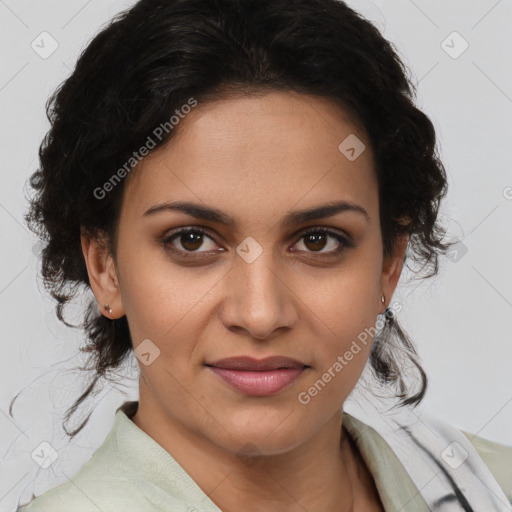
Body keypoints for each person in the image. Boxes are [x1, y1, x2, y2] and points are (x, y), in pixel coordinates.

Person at [15, 0, 512, 510]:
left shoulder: (493, 489)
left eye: (318, 240)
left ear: (389, 263)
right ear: (105, 268)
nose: (260, 314)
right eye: (191, 240)